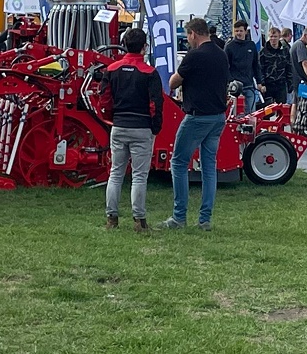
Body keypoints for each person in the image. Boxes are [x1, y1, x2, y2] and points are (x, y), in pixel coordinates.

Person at [162, 18, 229, 231]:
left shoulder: (194, 55)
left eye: (188, 35)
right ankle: (205, 219)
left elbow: (174, 82)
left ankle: (179, 217)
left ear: (192, 34)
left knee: (179, 163)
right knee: (209, 167)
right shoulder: (221, 54)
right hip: (217, 116)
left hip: (197, 116)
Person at [100, 28, 163, 233]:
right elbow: (156, 104)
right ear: (144, 47)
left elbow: (104, 99)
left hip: (119, 126)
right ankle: (139, 220)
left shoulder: (112, 69)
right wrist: (156, 127)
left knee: (115, 173)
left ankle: (112, 218)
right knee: (139, 176)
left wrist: (111, 118)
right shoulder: (149, 72)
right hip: (142, 128)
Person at [224, 20, 263, 114]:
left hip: (249, 85)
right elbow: (225, 66)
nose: (238, 33)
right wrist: (231, 80)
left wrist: (259, 82)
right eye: (236, 31)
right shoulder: (229, 46)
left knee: (251, 114)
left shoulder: (251, 45)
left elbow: (255, 65)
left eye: (241, 31)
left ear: (245, 31)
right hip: (235, 87)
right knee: (235, 114)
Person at [259, 27, 292, 106]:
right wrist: (262, 84)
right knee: (266, 112)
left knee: (282, 109)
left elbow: (289, 67)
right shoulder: (263, 52)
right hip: (268, 85)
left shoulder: (285, 51)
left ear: (279, 37)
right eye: (271, 36)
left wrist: (290, 83)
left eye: (275, 36)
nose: (273, 39)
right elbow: (260, 69)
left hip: (281, 84)